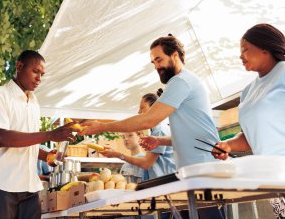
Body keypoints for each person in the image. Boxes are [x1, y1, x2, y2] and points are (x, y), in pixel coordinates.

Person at [79, 34, 224, 218]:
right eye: (153, 62)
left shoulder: (181, 82)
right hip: (193, 173)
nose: (156, 66)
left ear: (175, 56)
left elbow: (148, 120)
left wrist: (101, 126)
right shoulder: (183, 82)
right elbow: (191, 135)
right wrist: (159, 140)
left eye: (159, 59)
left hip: (202, 171)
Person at [0, 50, 78, 219]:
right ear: (19, 66)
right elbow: (3, 138)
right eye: (35, 71)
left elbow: (28, 142)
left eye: (42, 74)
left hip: (29, 187)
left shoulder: (33, 102)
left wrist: (47, 156)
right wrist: (49, 135)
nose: (39, 78)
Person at [212, 23, 285, 218]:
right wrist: (227, 145)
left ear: (265, 48)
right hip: (273, 180)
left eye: (245, 49)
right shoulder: (247, 91)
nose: (240, 55)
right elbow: (250, 135)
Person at [100, 92, 176, 181]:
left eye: (142, 108)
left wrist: (117, 155)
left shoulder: (160, 130)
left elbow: (146, 164)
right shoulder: (156, 129)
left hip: (165, 182)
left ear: (154, 108)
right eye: (123, 137)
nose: (139, 112)